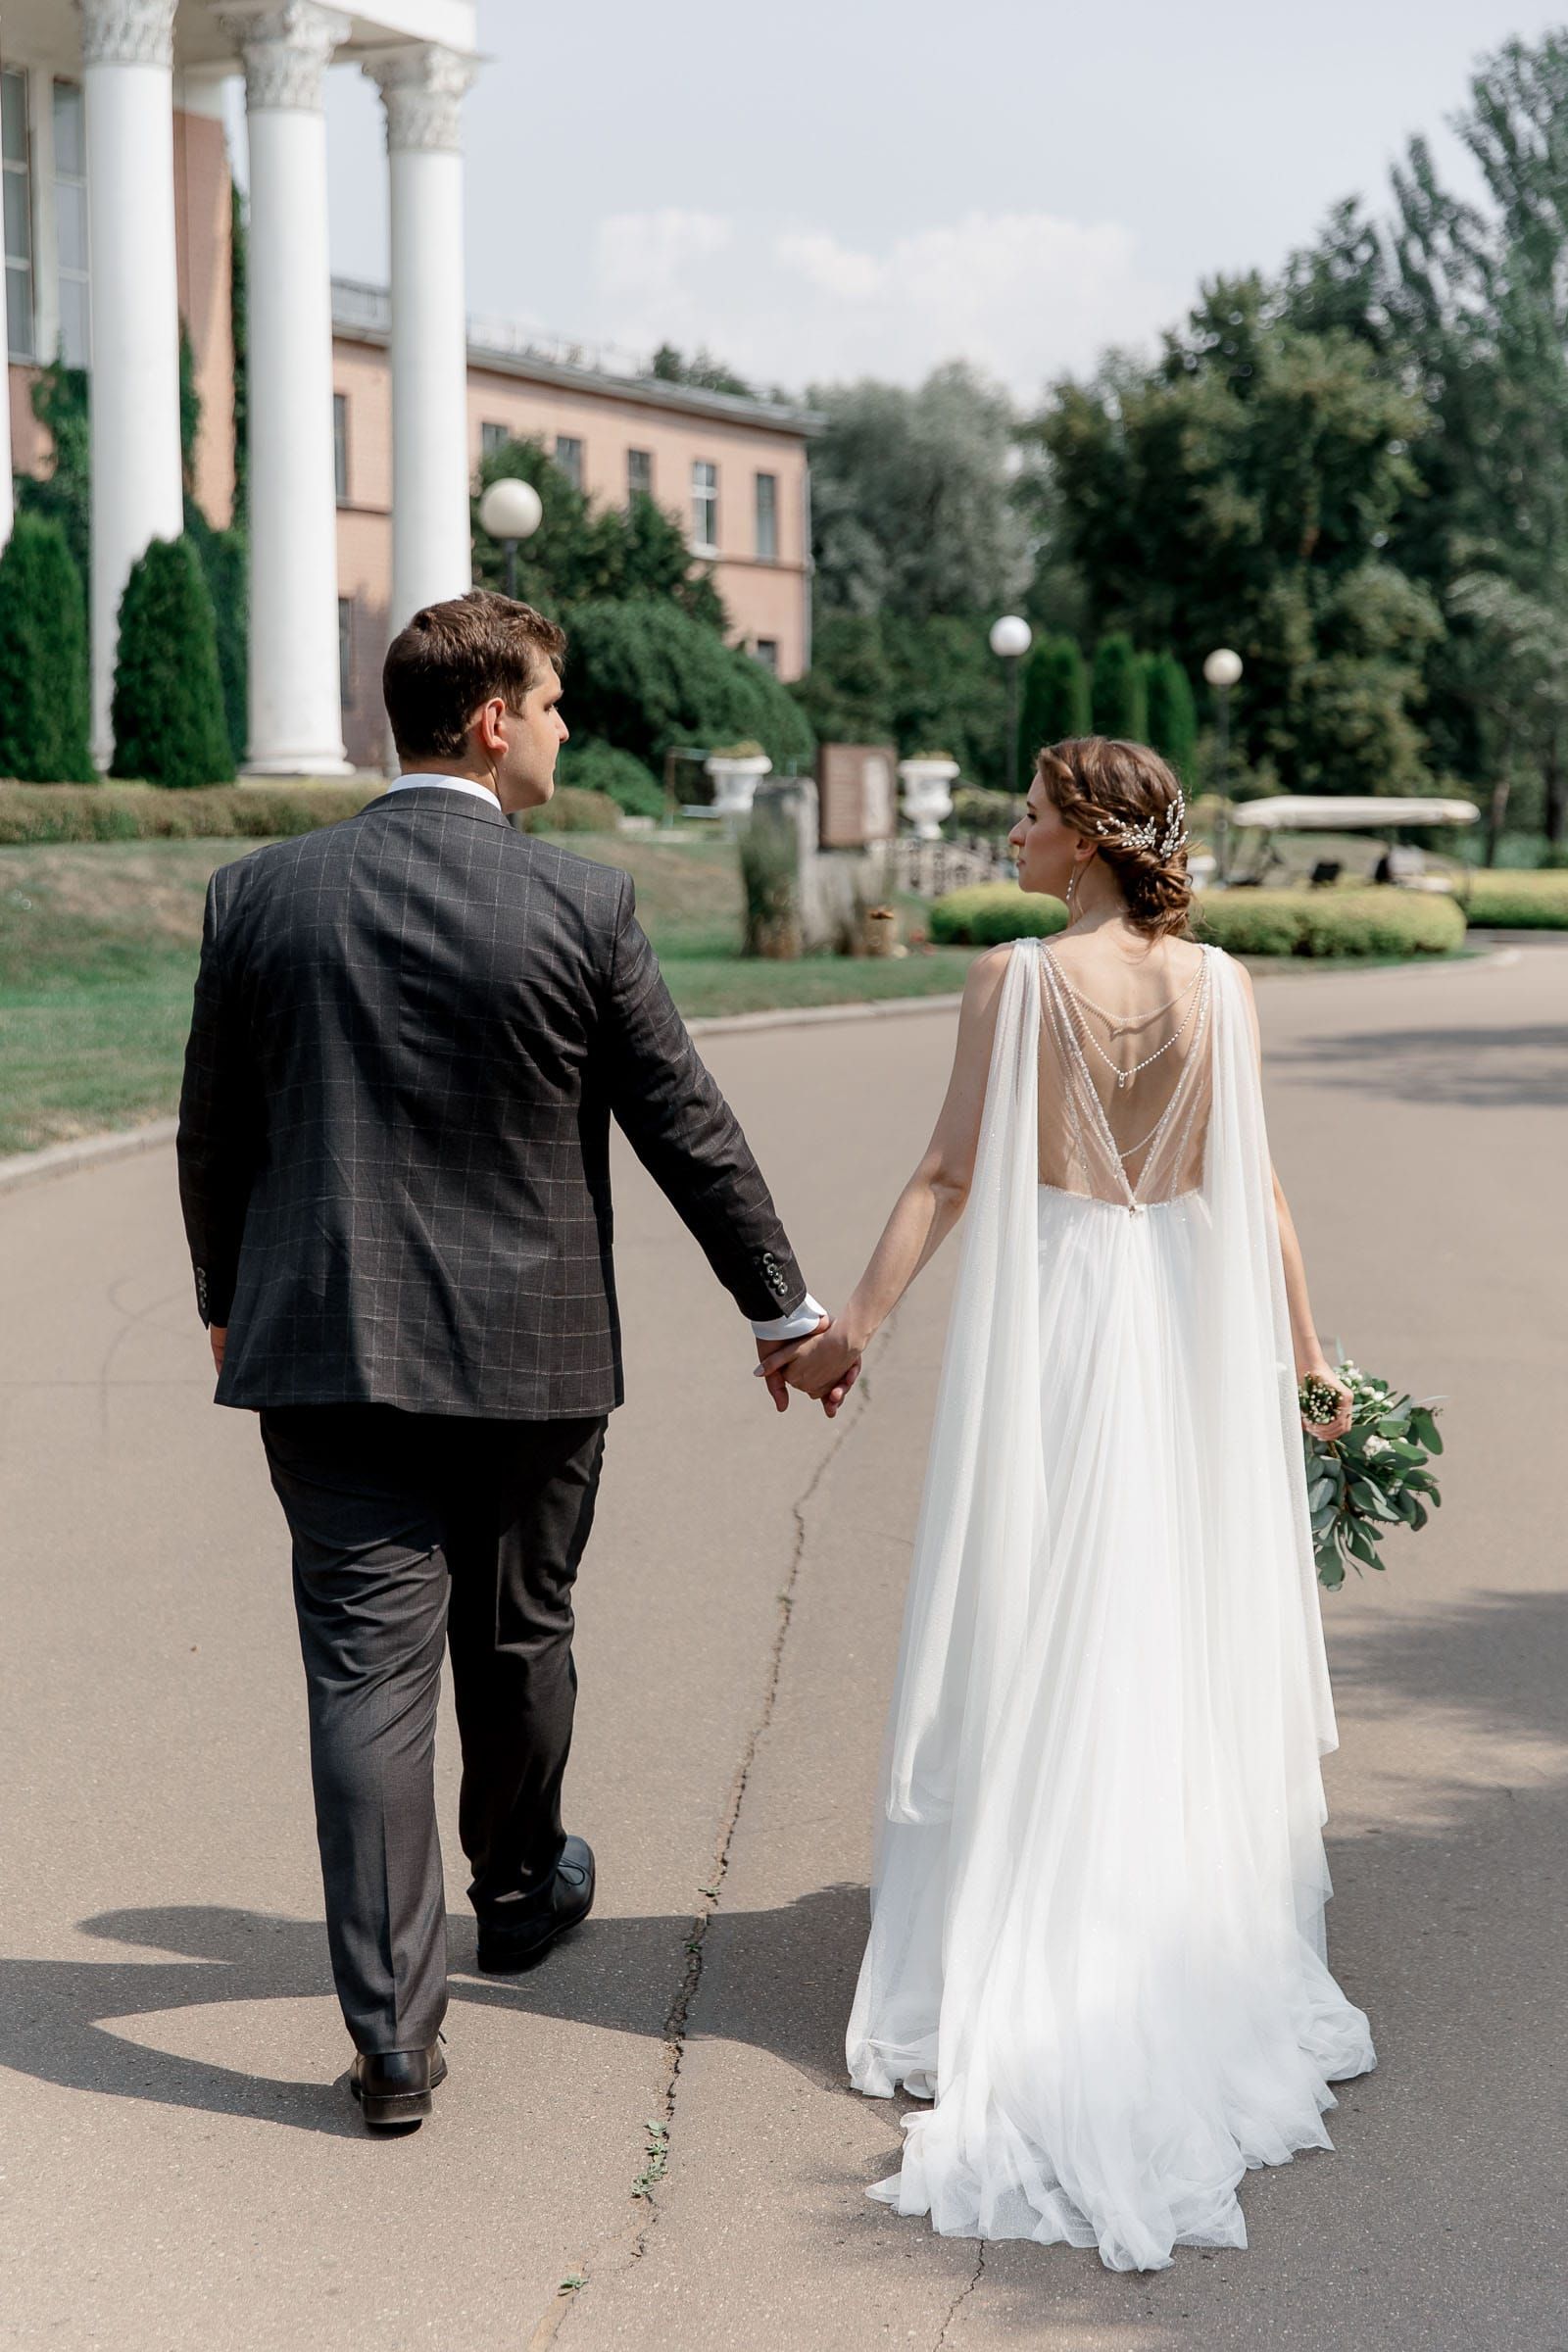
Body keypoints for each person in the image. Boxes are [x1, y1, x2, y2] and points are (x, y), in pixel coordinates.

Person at [176, 591, 847, 2130]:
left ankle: (395, 2042)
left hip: (324, 1341)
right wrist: (783, 1314)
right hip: (537, 1363)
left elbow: (216, 1133)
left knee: (367, 1681)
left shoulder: (258, 896)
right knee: (520, 1633)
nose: (561, 726)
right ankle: (523, 1887)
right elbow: (686, 1126)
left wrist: (226, 1291)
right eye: (550, 704)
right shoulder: (582, 908)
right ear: (491, 719)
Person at [760, 736, 1375, 2272]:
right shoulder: (1225, 989)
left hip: (1057, 1327)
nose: (1012, 833)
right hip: (1186, 1328)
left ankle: (1041, 1928)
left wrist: (855, 1334)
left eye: (1032, 814)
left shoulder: (1013, 982)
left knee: (1041, 1609)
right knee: (1163, 1609)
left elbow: (953, 1175)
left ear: (1091, 836)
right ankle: (1165, 1920)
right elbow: (1268, 1191)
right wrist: (1305, 1359)